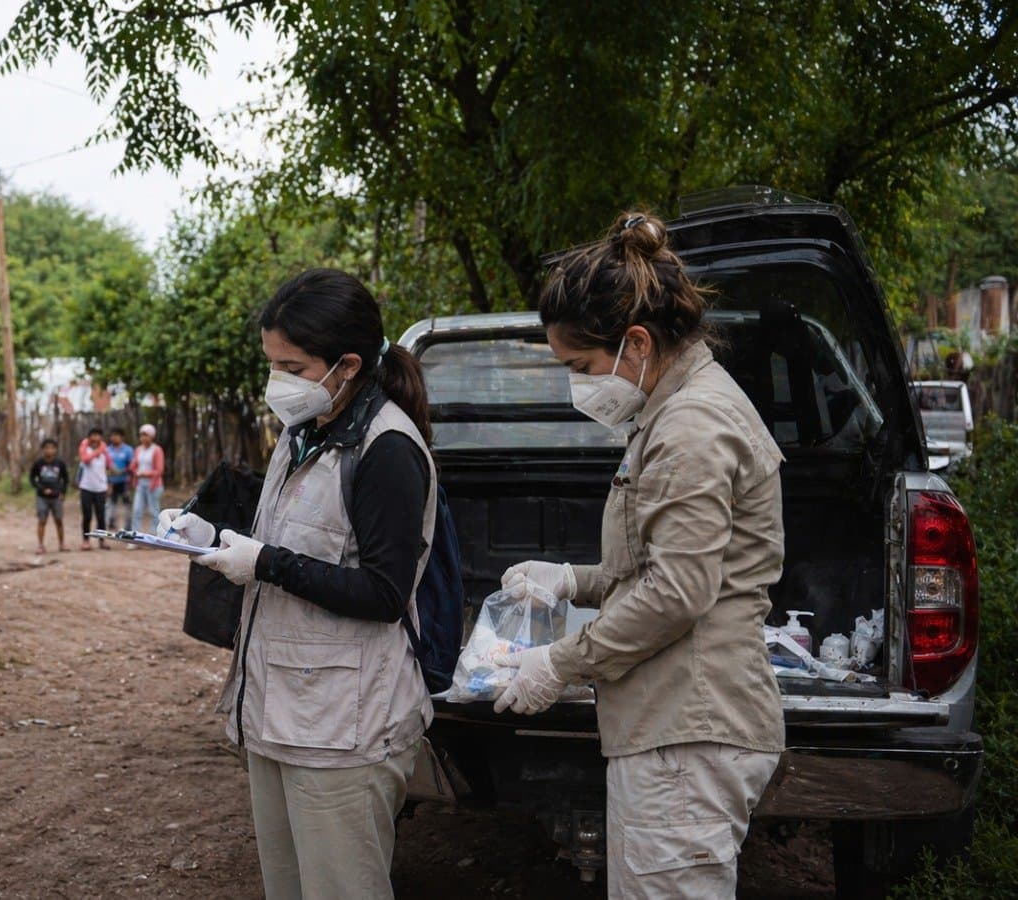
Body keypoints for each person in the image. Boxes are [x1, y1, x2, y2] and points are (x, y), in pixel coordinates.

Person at [492, 211, 785, 898]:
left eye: (581, 367)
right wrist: (571, 581)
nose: (577, 385)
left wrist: (558, 664)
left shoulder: (691, 426)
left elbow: (678, 594)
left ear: (637, 343)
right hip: (671, 722)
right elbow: (660, 568)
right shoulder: (671, 411)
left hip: (687, 730)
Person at [160, 268, 437, 900]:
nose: (278, 383)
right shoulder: (302, 432)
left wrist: (264, 564)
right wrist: (212, 536)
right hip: (278, 712)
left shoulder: (387, 447)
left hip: (345, 729)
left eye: (293, 367)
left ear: (347, 364)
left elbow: (385, 594)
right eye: (272, 365)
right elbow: (294, 532)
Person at [28, 438, 70, 554]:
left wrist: (63, 492)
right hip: (42, 497)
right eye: (46, 448)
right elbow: (32, 478)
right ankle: (40, 545)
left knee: (59, 520)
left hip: (56, 497)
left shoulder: (60, 463)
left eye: (52, 448)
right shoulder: (38, 463)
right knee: (42, 520)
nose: (49, 450)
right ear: (42, 450)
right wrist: (41, 488)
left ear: (56, 450)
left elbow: (66, 479)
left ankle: (62, 544)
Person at [128, 423, 165, 535]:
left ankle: (154, 535)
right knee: (137, 510)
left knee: (153, 511)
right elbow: (133, 466)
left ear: (152, 436)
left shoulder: (157, 450)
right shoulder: (138, 449)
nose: (143, 438)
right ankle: (135, 535)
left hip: (153, 485)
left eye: (146, 435)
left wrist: (146, 474)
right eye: (141, 435)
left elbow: (159, 470)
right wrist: (135, 472)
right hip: (141, 484)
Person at [77, 427, 110, 550]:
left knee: (101, 516)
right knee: (87, 516)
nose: (96, 438)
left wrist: (104, 451)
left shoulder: (104, 453)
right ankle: (85, 540)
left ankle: (102, 540)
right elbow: (85, 459)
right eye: (93, 435)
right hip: (86, 488)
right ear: (89, 438)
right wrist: (100, 450)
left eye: (98, 436)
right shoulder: (85, 449)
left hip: (101, 488)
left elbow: (109, 466)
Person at [105, 428, 135, 529]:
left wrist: (124, 471)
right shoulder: (107, 450)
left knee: (127, 504)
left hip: (124, 481)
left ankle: (128, 525)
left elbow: (132, 464)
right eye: (112, 435)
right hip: (111, 481)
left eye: (116, 435)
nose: (114, 438)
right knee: (111, 503)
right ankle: (111, 522)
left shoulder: (128, 450)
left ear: (122, 437)